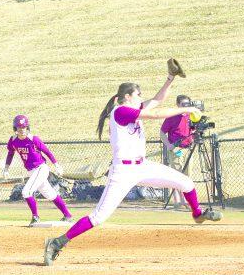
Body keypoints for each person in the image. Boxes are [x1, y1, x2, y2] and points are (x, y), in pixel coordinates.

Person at [42, 76, 219, 265]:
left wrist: (169, 79)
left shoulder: (132, 109)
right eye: (138, 95)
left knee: (186, 183)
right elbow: (157, 114)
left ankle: (197, 213)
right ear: (127, 96)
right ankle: (57, 242)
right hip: (123, 171)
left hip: (142, 166)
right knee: (98, 217)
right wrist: (187, 109)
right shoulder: (121, 111)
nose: (140, 98)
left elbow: (158, 100)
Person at [3, 114, 73, 226]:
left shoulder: (33, 139)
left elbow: (47, 152)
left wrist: (56, 165)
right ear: (15, 129)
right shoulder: (13, 140)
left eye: (24, 127)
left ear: (28, 127)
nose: (22, 130)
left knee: (26, 192)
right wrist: (6, 168)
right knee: (49, 194)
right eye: (19, 128)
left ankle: (35, 217)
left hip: (41, 168)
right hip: (32, 171)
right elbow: (10, 153)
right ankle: (68, 215)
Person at [159, 94, 196, 208]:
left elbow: (194, 130)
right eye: (183, 104)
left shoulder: (191, 116)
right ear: (178, 105)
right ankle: (177, 201)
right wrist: (169, 145)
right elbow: (162, 132)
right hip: (177, 149)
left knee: (187, 175)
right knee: (177, 174)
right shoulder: (171, 117)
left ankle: (186, 201)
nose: (186, 107)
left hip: (188, 149)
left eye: (187, 104)